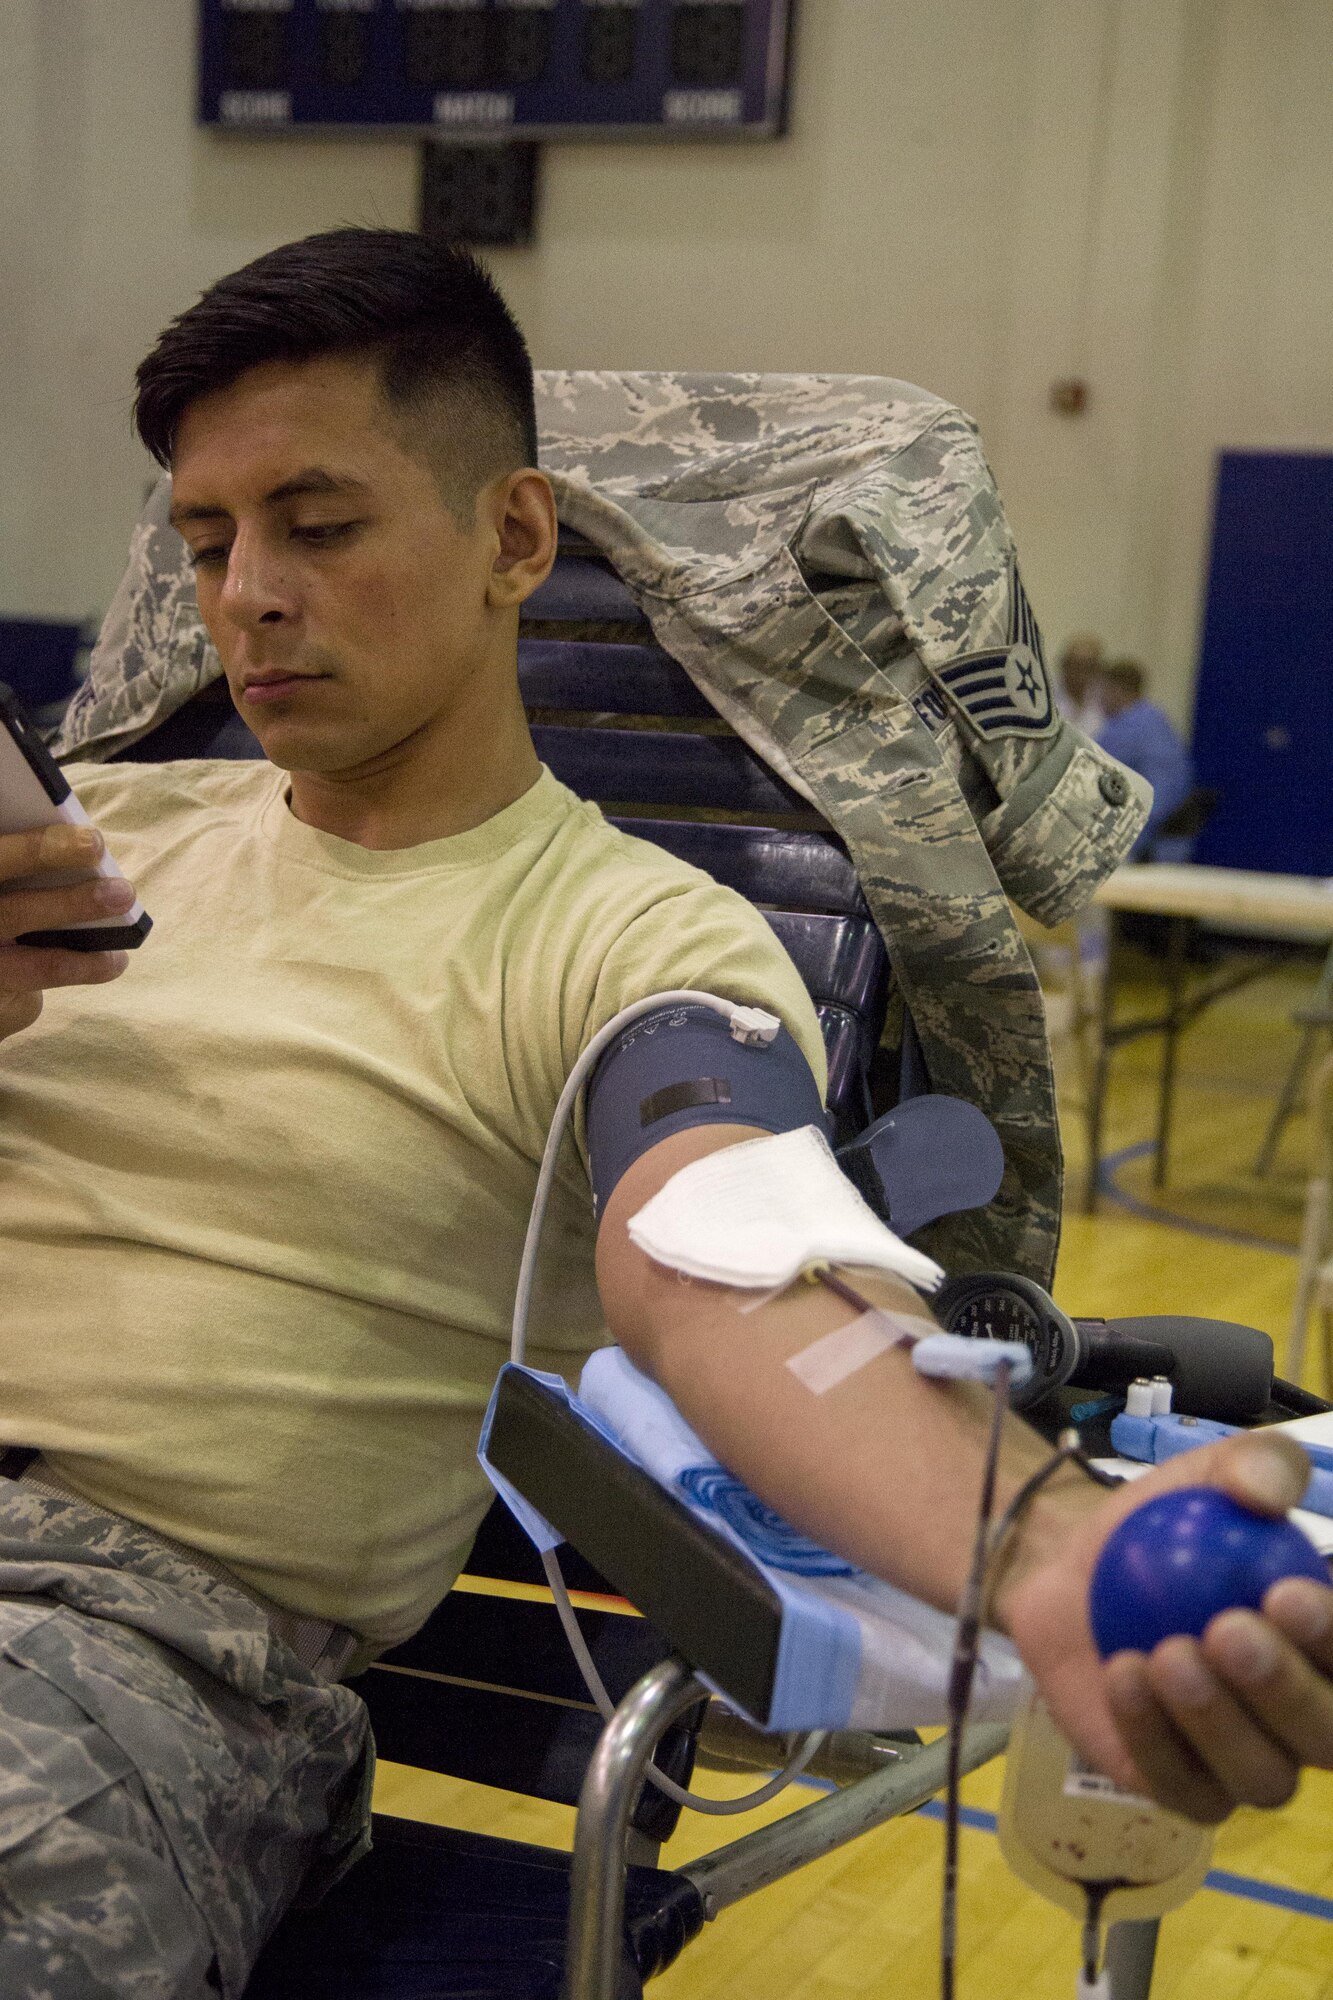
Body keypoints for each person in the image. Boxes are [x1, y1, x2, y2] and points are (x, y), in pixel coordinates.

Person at [2, 229, 1330, 1995]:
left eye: (318, 527)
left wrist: (1044, 1549)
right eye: (207, 541)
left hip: (113, 1657)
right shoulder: (81, 842)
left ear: (515, 540)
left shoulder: (620, 938)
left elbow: (726, 1250)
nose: (246, 590)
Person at [1097, 658, 1196, 860]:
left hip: (1145, 844)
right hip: (1172, 844)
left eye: (1103, 693)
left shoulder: (1125, 730)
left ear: (1115, 690)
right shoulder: (1156, 719)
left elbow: (1093, 775)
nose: (1100, 701)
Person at [1055, 630, 1106, 736]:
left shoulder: (1104, 699)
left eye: (1089, 668)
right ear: (1064, 665)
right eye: (1076, 666)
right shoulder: (1046, 697)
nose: (1081, 674)